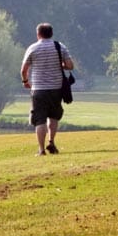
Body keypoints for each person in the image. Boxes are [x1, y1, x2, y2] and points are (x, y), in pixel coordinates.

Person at [20, 23, 74, 155]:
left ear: (38, 34)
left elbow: (24, 70)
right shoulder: (60, 47)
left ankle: (41, 149)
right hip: (56, 88)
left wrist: (26, 81)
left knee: (40, 119)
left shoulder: (33, 48)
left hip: (38, 89)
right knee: (54, 117)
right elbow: (70, 66)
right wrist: (60, 64)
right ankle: (51, 142)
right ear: (51, 33)